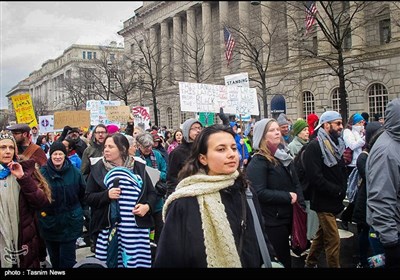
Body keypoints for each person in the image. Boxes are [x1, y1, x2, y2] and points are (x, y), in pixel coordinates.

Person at [154, 124, 276, 268]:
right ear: (203, 158)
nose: (231, 154)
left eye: (234, 148)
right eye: (221, 149)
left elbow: (260, 238)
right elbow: (168, 258)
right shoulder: (184, 202)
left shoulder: (246, 192)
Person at [84, 133, 156, 267]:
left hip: (135, 231)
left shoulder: (138, 167)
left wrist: (147, 207)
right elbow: (88, 197)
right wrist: (106, 195)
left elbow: (152, 193)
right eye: (105, 146)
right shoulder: (97, 168)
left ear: (122, 149)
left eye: (110, 146)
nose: (106, 149)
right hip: (108, 230)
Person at [246, 118, 305, 268]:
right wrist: (287, 197)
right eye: (271, 130)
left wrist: (300, 204)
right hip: (272, 222)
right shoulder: (258, 161)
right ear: (262, 136)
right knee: (280, 259)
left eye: (277, 129)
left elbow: (295, 182)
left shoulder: (283, 155)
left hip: (286, 217)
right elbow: (258, 192)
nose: (277, 132)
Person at [0, 131, 51, 268]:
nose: (7, 151)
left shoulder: (25, 169)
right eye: (3, 147)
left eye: (11, 147)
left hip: (24, 243)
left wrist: (23, 178)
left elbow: (42, 203)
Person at [303, 111, 347, 268]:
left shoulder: (337, 144)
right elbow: (315, 177)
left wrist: (342, 188)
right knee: (333, 240)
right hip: (322, 201)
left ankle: (310, 263)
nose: (341, 127)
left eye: (341, 123)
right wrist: (335, 189)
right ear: (326, 125)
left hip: (333, 200)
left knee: (322, 235)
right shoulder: (314, 146)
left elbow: (339, 171)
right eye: (338, 123)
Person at [38, 142, 86, 268]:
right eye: (55, 154)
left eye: (60, 154)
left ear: (65, 156)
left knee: (68, 261)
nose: (58, 157)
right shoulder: (42, 174)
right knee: (55, 260)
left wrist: (81, 213)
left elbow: (83, 194)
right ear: (50, 155)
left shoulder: (75, 173)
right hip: (50, 223)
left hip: (70, 223)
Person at [366, 97, 400, 269]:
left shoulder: (394, 142)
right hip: (390, 233)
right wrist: (391, 242)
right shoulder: (387, 152)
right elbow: (381, 199)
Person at [351, 121, 384, 268]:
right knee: (365, 233)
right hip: (364, 202)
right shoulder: (363, 157)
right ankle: (363, 261)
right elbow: (371, 176)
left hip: (372, 201)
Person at [166, 118, 202, 197]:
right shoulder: (177, 153)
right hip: (184, 193)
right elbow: (171, 179)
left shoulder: (204, 149)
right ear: (187, 131)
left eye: (199, 128)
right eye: (194, 128)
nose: (198, 131)